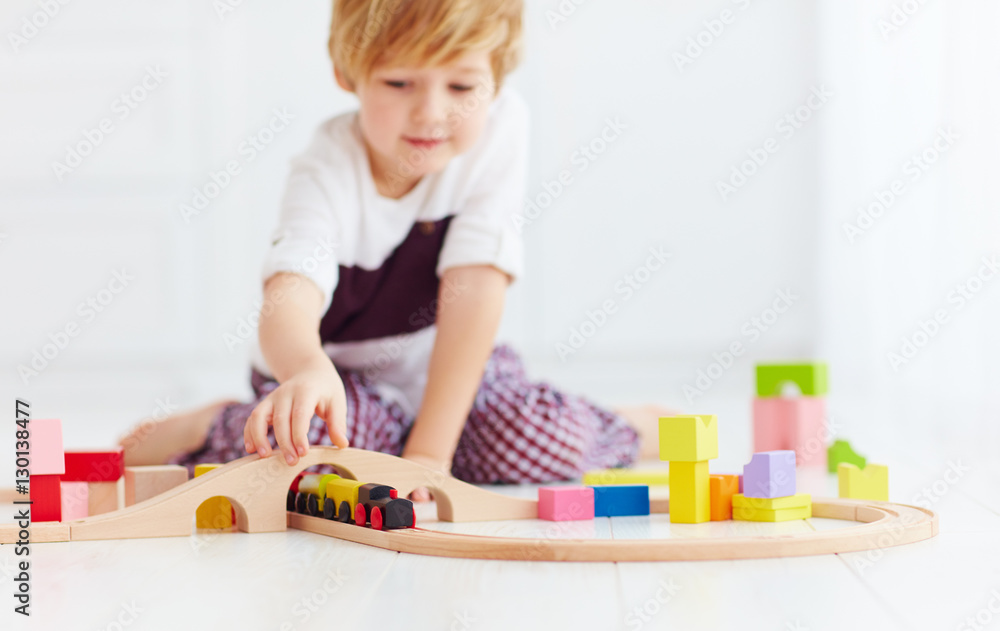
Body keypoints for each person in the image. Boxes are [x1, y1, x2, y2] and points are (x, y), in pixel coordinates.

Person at [118, 0, 667, 499]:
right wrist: (307, 368)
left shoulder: (502, 131)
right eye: (400, 82)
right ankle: (209, 426)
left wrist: (429, 456)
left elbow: (477, 286)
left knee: (532, 436)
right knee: (313, 455)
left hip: (447, 368)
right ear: (348, 75)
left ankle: (625, 425)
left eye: (460, 87)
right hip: (334, 377)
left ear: (496, 82)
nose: (433, 113)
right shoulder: (326, 168)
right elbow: (289, 290)